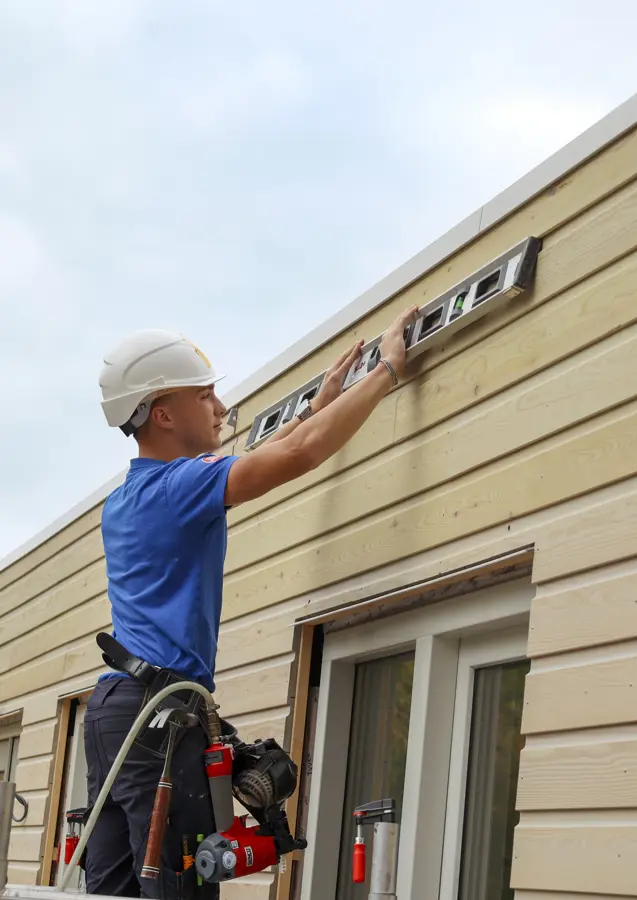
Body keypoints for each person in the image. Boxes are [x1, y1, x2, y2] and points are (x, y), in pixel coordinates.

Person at [82, 305, 419, 899]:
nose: (219, 407)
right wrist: (386, 372)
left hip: (117, 708)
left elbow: (260, 456)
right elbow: (298, 457)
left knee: (114, 890)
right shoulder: (181, 487)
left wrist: (318, 409)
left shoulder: (133, 497)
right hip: (159, 714)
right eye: (206, 395)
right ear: (163, 412)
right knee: (181, 887)